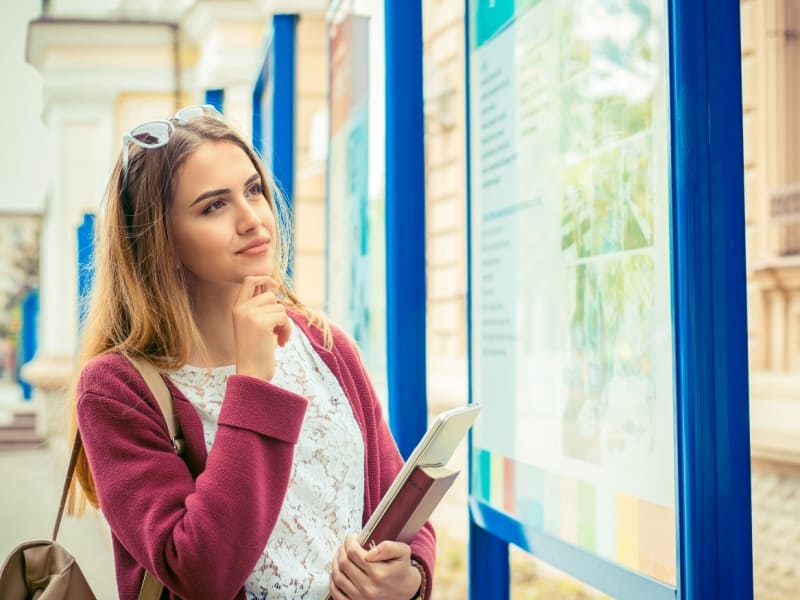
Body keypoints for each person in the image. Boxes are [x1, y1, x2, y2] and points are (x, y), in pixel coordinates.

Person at [67, 104, 435, 600]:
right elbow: (201, 572)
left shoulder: (325, 345)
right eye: (213, 205)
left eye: (253, 190)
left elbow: (396, 501)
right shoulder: (116, 388)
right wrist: (254, 381)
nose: (251, 219)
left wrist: (408, 577)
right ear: (162, 238)